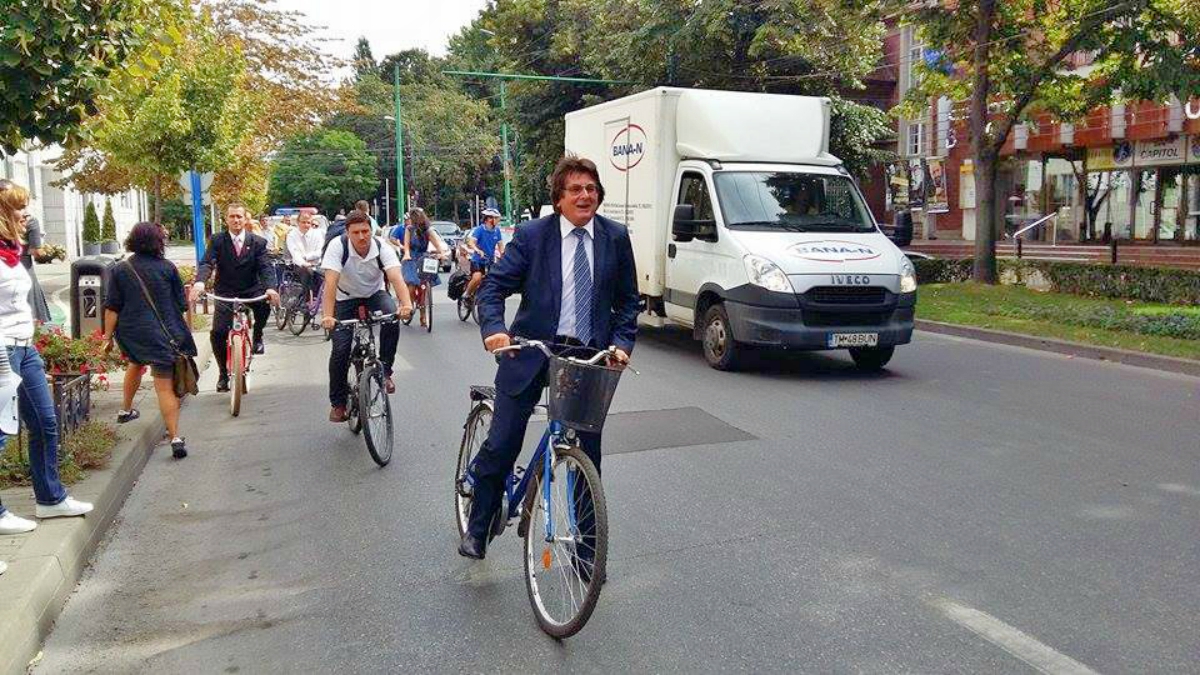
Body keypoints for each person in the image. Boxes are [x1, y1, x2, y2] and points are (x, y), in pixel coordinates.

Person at [458, 156, 639, 561]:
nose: (585, 195)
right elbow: (493, 288)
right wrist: (494, 330)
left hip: (586, 357)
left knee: (587, 455)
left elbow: (629, 303)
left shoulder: (614, 237)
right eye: (575, 189)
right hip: (530, 349)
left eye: (591, 188)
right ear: (559, 198)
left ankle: (587, 557)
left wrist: (622, 343)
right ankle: (479, 526)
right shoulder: (532, 236)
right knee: (503, 442)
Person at [0, 179, 94, 536]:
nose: (25, 214)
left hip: (24, 348)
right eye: (17, 207)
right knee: (1, 432)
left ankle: (51, 499)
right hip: (3, 350)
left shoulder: (12, 252)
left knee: (45, 422)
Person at [103, 222, 197, 459]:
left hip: (134, 333)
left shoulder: (121, 269)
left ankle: (126, 409)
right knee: (164, 387)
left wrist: (107, 338)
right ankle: (175, 437)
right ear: (158, 242)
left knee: (135, 363)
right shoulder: (167, 268)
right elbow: (181, 304)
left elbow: (112, 307)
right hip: (165, 334)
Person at [319, 211, 413, 422]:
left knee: (391, 318)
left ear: (371, 230)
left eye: (365, 231)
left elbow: (396, 278)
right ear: (347, 233)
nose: (362, 237)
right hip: (344, 298)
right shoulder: (337, 247)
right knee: (340, 349)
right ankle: (338, 404)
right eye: (356, 232)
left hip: (374, 294)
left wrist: (406, 305)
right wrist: (327, 316)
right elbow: (330, 284)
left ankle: (385, 371)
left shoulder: (382, 247)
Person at [191, 203, 278, 392]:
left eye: (239, 216)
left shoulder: (258, 242)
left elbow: (265, 267)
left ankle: (258, 335)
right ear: (226, 219)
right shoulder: (217, 240)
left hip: (251, 289)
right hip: (226, 291)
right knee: (218, 332)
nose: (236, 220)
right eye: (232, 216)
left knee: (264, 306)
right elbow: (207, 263)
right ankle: (223, 374)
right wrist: (200, 282)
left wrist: (271, 288)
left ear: (245, 219)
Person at [400, 208, 448, 328]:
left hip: (423, 257)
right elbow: (406, 245)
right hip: (411, 257)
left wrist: (442, 253)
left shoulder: (428, 231)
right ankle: (409, 306)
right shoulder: (409, 229)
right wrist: (406, 254)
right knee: (411, 284)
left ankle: (423, 314)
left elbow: (437, 244)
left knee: (424, 285)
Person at [464, 207, 505, 300]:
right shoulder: (479, 230)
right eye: (496, 218)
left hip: (490, 261)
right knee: (477, 278)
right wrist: (478, 250)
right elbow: (471, 242)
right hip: (478, 260)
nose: (498, 220)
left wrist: (504, 255)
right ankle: (466, 294)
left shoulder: (497, 231)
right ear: (489, 219)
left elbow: (501, 246)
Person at [286, 211, 325, 306]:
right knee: (307, 271)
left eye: (308, 223)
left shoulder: (317, 234)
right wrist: (303, 262)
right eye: (303, 222)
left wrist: (306, 257)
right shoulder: (292, 235)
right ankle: (305, 300)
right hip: (300, 266)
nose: (306, 225)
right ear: (298, 222)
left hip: (316, 265)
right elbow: (295, 253)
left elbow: (320, 251)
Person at [20, 214, 51, 323]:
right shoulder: (30, 221)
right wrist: (49, 252)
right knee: (30, 311)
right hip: (23, 268)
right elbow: (36, 252)